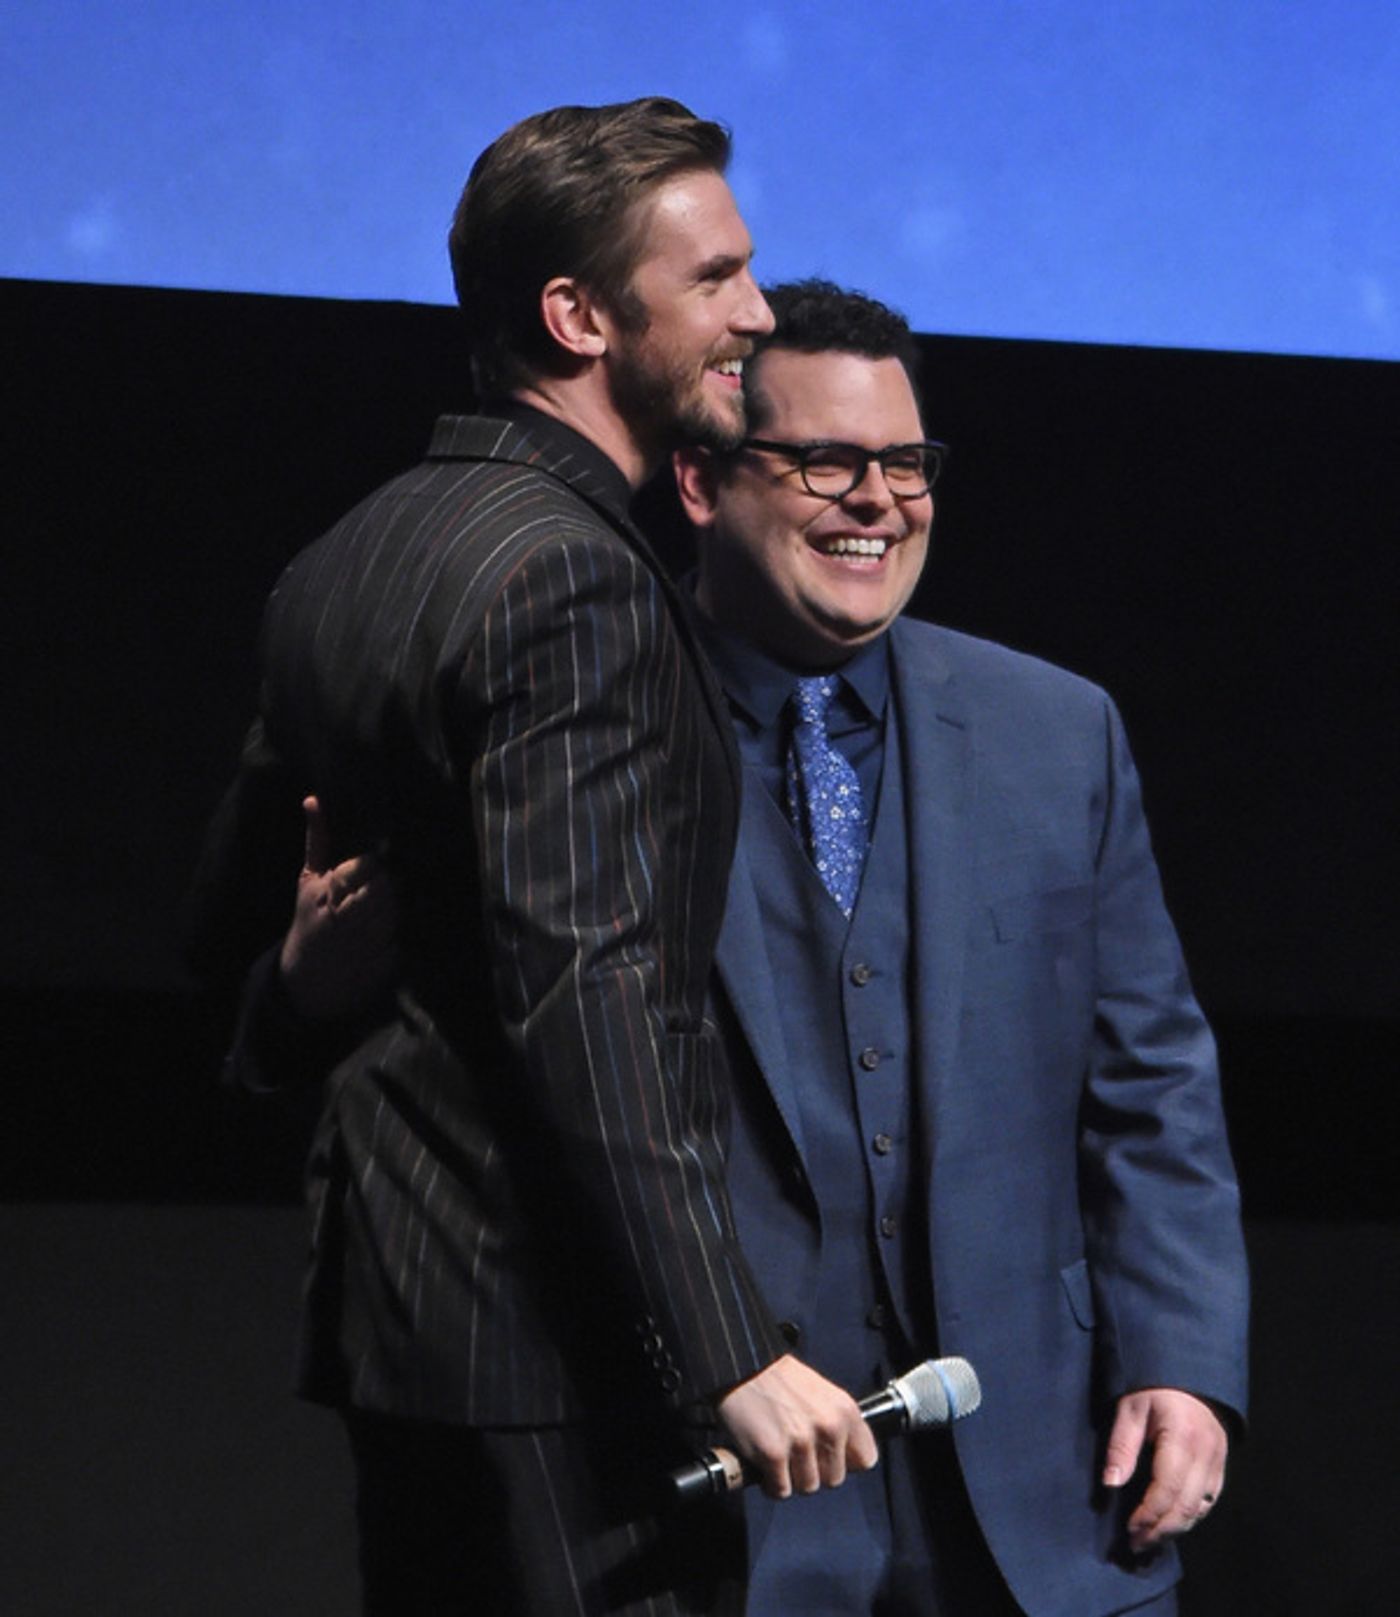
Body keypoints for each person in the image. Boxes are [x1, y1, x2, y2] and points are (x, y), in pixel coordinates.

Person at [230, 278, 1251, 1615]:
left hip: (1044, 1499)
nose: (877, 497)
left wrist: (1182, 1355)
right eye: (829, 459)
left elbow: (1152, 1080)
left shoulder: (1056, 732)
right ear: (704, 482)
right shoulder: (575, 721)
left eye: (905, 461)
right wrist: (307, 990)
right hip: (713, 1511)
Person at [186, 107, 877, 1617]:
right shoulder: (570, 572)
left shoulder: (348, 555)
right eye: (716, 279)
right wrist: (732, 1349)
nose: (756, 315)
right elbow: (588, 989)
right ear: (578, 317)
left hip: (411, 1341)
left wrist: (296, 997)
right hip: (559, 1359)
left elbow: (235, 954)